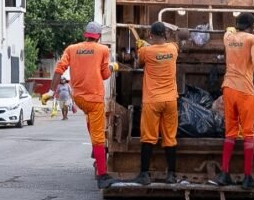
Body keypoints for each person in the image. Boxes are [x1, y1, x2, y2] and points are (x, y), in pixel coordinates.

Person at [209, 12, 254, 190]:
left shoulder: (228, 38)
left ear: (237, 24)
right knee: (248, 133)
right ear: (252, 25)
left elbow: (227, 32)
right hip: (244, 90)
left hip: (227, 88)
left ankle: (224, 174)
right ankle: (247, 178)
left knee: (230, 132)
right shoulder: (253, 39)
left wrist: (229, 30)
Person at [42, 21, 120, 189]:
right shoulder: (103, 50)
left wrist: (50, 92)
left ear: (86, 34)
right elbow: (105, 75)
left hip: (79, 98)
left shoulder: (71, 49)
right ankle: (102, 175)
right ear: (98, 36)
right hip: (94, 98)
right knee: (99, 137)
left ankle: (95, 151)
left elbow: (58, 70)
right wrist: (113, 66)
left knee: (92, 124)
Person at [133, 22, 179, 185]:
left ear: (151, 35)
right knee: (170, 137)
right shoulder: (173, 49)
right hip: (170, 100)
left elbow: (138, 63)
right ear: (165, 34)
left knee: (149, 137)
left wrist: (142, 46)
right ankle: (171, 175)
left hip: (152, 101)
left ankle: (144, 174)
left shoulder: (146, 51)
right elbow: (174, 43)